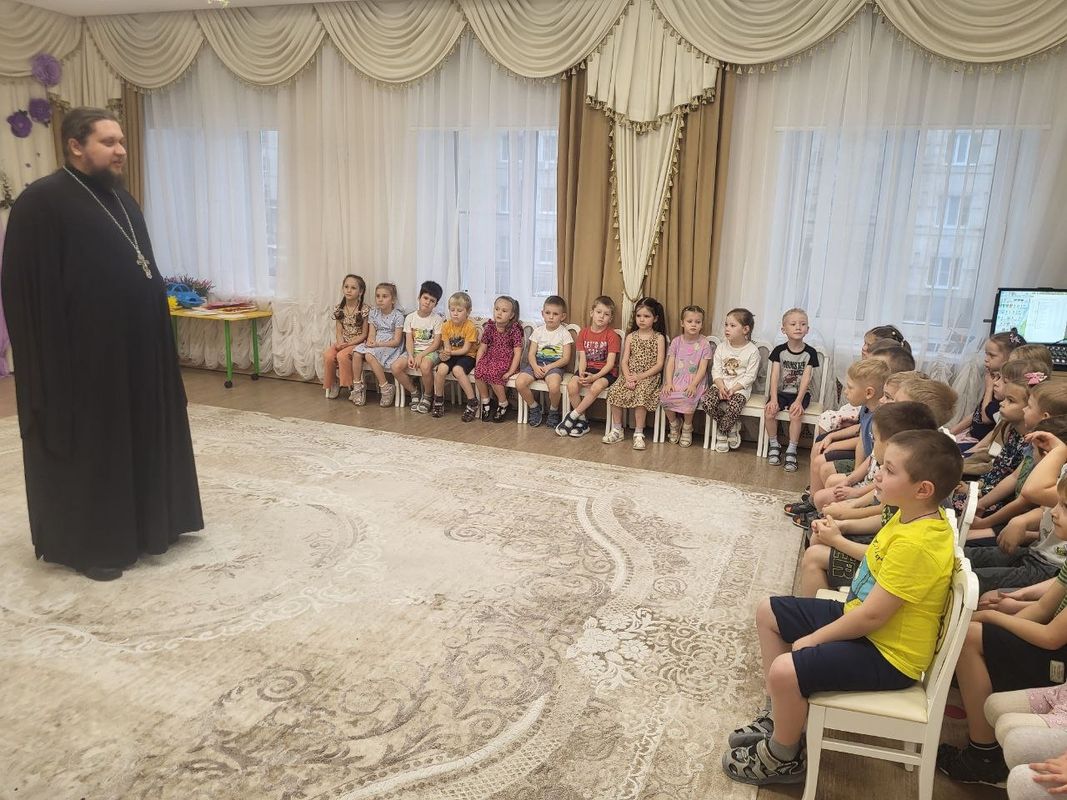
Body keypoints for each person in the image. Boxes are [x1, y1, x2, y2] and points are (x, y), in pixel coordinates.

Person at [0, 106, 203, 581]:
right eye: (109, 142)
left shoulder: (121, 199)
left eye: (122, 142)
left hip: (136, 353)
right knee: (95, 447)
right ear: (76, 145)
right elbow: (26, 292)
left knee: (139, 435)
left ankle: (152, 524)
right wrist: (51, 362)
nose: (120, 151)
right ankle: (92, 545)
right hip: (80, 362)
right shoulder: (41, 203)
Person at [723, 430, 962, 786]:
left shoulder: (919, 544)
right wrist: (838, 537)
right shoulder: (911, 516)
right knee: (768, 612)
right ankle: (781, 717)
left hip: (889, 655)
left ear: (922, 489)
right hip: (865, 622)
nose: (878, 475)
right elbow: (878, 567)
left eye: (889, 470)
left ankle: (783, 757)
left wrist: (815, 639)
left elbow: (873, 616)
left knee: (786, 670)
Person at [938, 473, 1067, 787]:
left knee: (971, 635)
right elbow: (1042, 609)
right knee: (978, 621)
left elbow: (1051, 637)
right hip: (1054, 642)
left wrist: (996, 618)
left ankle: (983, 756)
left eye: (1064, 506)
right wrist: (1010, 605)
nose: (1053, 512)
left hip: (1059, 660)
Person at [797, 401, 939, 597]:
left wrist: (838, 536)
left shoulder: (912, 502)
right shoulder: (908, 491)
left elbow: (882, 555)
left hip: (878, 572)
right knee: (821, 533)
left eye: (874, 438)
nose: (878, 476)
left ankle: (822, 605)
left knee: (814, 555)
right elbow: (885, 517)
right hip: (878, 551)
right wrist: (843, 524)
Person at [602, 297, 667, 451]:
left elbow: (659, 364)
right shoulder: (631, 337)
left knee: (641, 393)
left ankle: (638, 433)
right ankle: (617, 429)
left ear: (655, 318)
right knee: (615, 390)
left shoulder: (659, 338)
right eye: (639, 316)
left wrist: (639, 377)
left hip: (649, 377)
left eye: (646, 316)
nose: (642, 319)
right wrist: (628, 377)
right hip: (629, 375)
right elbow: (624, 361)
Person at [557, 295, 620, 438]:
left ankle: (573, 416)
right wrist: (581, 374)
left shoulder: (612, 336)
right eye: (599, 312)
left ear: (610, 318)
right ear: (592, 313)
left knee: (596, 387)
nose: (601, 316)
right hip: (587, 369)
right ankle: (583, 421)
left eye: (606, 314)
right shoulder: (583, 333)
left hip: (606, 372)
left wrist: (595, 377)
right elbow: (582, 358)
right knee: (572, 385)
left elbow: (610, 364)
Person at [950, 329, 1026, 449]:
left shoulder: (1003, 391)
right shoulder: (994, 379)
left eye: (992, 355)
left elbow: (985, 418)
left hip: (980, 444)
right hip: (970, 435)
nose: (986, 359)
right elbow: (977, 413)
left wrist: (989, 387)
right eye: (986, 354)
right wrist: (951, 432)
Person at [765, 308, 819, 471]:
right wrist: (773, 399)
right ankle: (774, 445)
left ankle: (792, 449)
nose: (798, 327)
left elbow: (806, 379)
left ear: (807, 329)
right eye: (793, 324)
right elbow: (774, 376)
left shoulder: (810, 353)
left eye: (802, 324)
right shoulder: (779, 351)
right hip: (781, 393)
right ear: (784, 329)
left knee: (796, 413)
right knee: (769, 411)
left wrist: (798, 401)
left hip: (800, 394)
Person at [699, 307, 760, 453]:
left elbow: (750, 376)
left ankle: (722, 432)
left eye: (732, 325)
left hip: (740, 388)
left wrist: (733, 389)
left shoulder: (752, 351)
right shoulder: (721, 347)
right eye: (726, 324)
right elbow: (716, 371)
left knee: (735, 405)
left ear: (745, 329)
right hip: (720, 385)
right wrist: (721, 387)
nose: (727, 328)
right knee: (707, 402)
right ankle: (731, 426)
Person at [515, 295, 572, 429]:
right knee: (520, 383)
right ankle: (534, 407)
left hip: (555, 366)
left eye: (555, 314)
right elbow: (531, 354)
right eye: (548, 313)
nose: (551, 317)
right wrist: (535, 367)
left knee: (554, 386)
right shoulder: (538, 331)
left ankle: (553, 410)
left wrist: (549, 367)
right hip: (537, 363)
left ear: (562, 316)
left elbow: (566, 358)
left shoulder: (564, 333)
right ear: (542, 313)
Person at [659, 305, 712, 448]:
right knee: (665, 396)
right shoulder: (676, 341)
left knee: (688, 396)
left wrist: (694, 384)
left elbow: (703, 368)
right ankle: (674, 424)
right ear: (682, 323)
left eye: (697, 322)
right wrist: (669, 382)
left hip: (695, 380)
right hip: (676, 379)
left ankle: (687, 427)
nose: (693, 325)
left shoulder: (704, 343)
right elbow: (670, 364)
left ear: (702, 324)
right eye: (690, 321)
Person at [393, 280, 443, 413]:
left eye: (432, 301)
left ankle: (428, 395)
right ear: (419, 297)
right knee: (395, 367)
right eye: (425, 298)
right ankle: (414, 391)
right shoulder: (410, 318)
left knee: (425, 366)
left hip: (431, 351)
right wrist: (410, 355)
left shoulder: (437, 319)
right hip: (413, 350)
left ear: (436, 304)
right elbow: (409, 340)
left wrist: (421, 355)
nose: (427, 302)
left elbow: (436, 344)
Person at [351, 282, 405, 407]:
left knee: (369, 355)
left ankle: (385, 387)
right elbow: (372, 333)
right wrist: (371, 341)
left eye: (384, 296)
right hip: (376, 343)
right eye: (378, 296)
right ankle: (358, 386)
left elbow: (397, 341)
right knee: (356, 352)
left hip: (390, 345)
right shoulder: (374, 312)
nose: (380, 299)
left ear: (393, 300)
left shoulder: (398, 316)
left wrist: (377, 344)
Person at [473, 295, 523, 422]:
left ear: (511, 315)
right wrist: (478, 363)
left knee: (495, 373)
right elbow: (482, 348)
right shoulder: (490, 327)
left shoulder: (514, 330)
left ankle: (503, 403)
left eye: (504, 311)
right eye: (497, 309)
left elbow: (517, 353)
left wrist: (511, 371)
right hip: (490, 358)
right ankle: (486, 401)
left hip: (507, 361)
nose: (499, 313)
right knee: (479, 372)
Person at [431, 291, 480, 420]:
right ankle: (438, 399)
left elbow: (465, 349)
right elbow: (447, 346)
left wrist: (450, 353)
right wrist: (444, 354)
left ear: (468, 312)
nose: (455, 313)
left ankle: (472, 401)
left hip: (468, 356)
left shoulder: (470, 327)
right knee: (441, 369)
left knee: (457, 370)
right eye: (452, 310)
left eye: (459, 310)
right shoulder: (446, 326)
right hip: (452, 354)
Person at [323, 274, 368, 399]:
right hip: (343, 342)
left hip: (358, 344)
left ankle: (352, 386)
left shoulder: (364, 309)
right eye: (346, 287)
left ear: (360, 291)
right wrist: (340, 343)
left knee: (342, 356)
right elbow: (339, 331)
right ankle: (334, 382)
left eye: (353, 288)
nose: (349, 290)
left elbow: (364, 334)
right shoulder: (339, 308)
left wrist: (348, 345)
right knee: (328, 355)